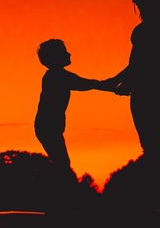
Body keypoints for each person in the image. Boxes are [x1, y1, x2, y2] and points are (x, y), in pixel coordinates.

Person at [105, 0, 160, 160]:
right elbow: (141, 63)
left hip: (152, 85)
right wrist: (120, 80)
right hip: (154, 82)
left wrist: (125, 82)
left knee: (150, 143)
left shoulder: (159, 22)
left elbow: (148, 61)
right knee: (150, 142)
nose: (134, 0)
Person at [34, 39, 115, 181]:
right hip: (48, 127)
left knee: (61, 163)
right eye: (65, 52)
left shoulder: (57, 75)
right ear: (57, 57)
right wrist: (112, 86)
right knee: (62, 164)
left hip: (47, 126)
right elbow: (85, 84)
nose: (69, 54)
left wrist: (110, 85)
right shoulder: (57, 76)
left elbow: (85, 83)